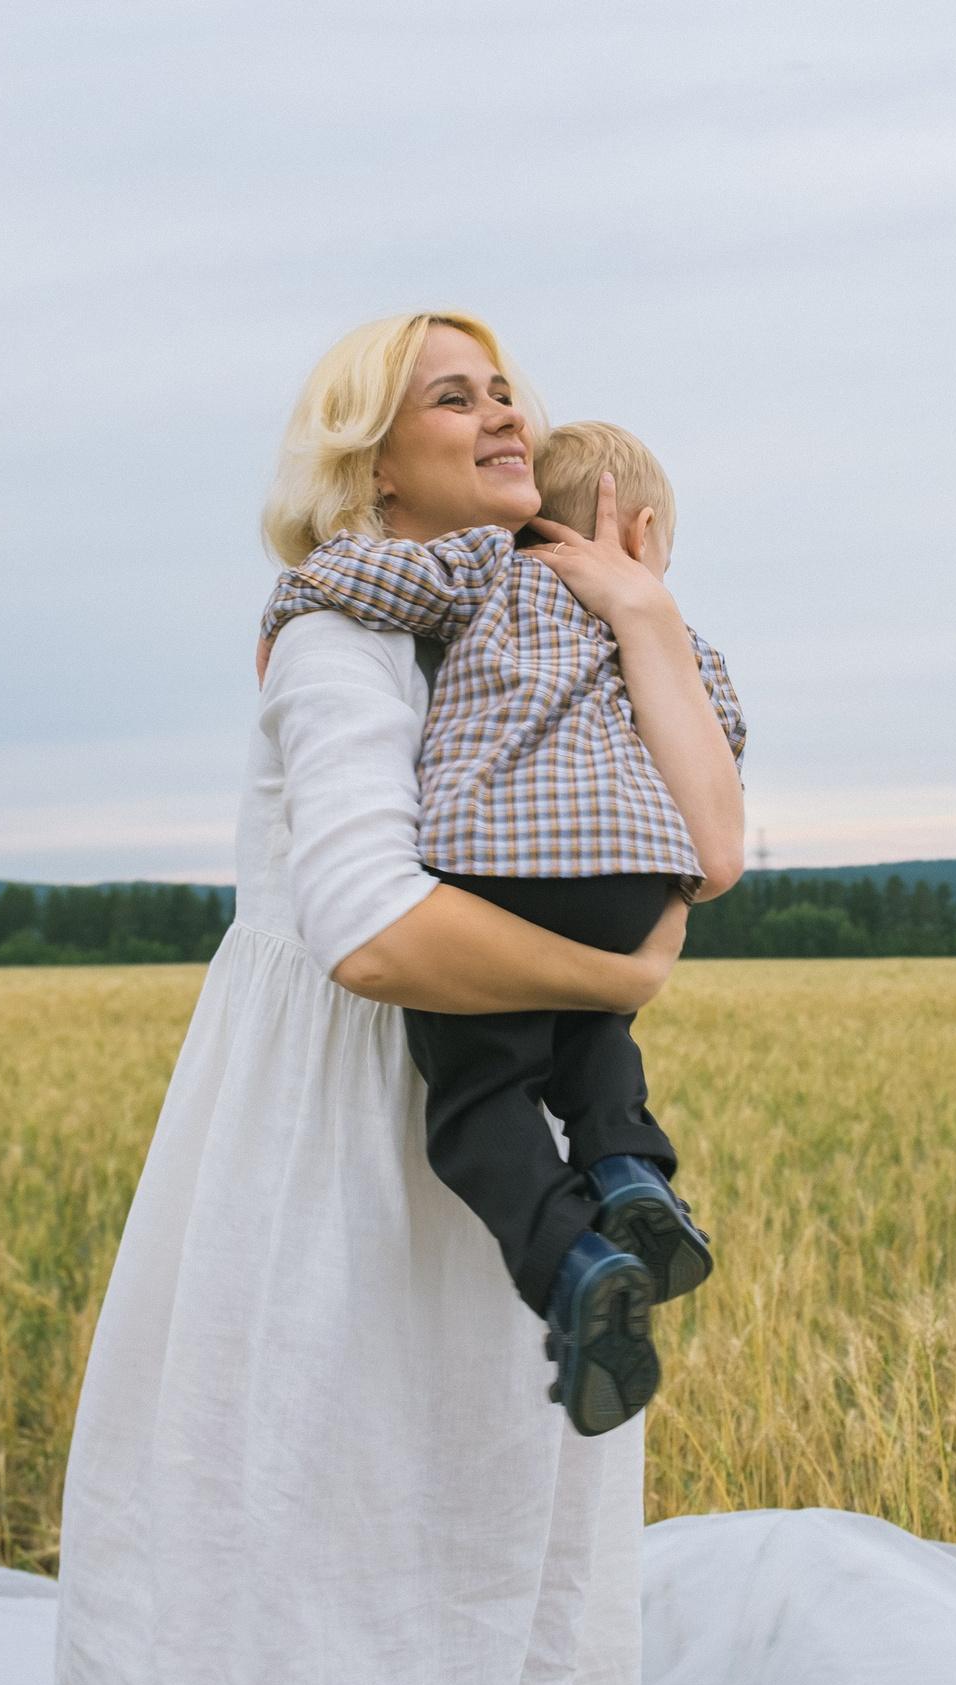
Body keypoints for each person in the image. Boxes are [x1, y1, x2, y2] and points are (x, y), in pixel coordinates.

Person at [50, 312, 743, 1685]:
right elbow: (368, 931)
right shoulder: (337, 633)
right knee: (327, 1485)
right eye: (452, 397)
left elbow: (713, 844)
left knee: (489, 1481)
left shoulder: (544, 628)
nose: (502, 415)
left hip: (490, 1091)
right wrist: (616, 978)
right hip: (340, 1123)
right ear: (371, 467)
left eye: (506, 392)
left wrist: (648, 610)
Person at [255, 420, 745, 1440]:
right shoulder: (679, 639)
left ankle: (573, 1261)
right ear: (647, 530)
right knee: (593, 1026)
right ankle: (626, 1170)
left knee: (479, 1094)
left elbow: (377, 582)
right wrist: (648, 618)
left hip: (499, 866)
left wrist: (291, 597)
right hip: (634, 878)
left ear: (529, 516)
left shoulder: (486, 565)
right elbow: (722, 744)